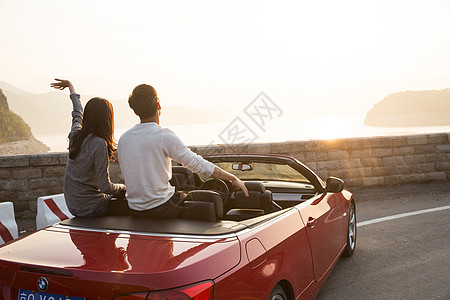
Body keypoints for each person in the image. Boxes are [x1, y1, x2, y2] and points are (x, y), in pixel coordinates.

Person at [118, 84, 248, 218]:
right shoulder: (163, 136)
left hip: (135, 209)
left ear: (135, 111)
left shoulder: (123, 139)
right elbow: (198, 164)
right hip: (162, 207)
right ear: (159, 105)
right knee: (211, 202)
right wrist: (232, 178)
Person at [51, 79, 126, 217]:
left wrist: (71, 87)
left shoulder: (75, 134)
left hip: (72, 206)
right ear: (107, 120)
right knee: (128, 202)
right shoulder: (99, 144)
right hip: (90, 207)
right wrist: (121, 187)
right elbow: (105, 187)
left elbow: (77, 111)